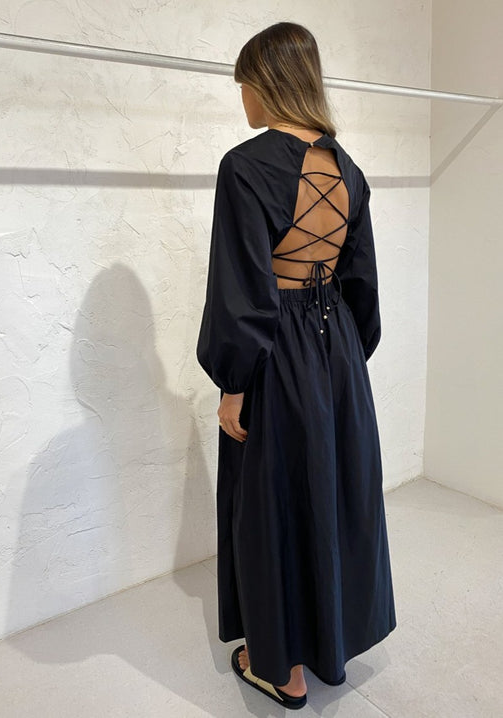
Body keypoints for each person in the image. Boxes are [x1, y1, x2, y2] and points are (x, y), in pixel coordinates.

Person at [196, 21, 396, 710]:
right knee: (330, 491)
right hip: (337, 347)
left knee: (270, 502)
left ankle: (281, 669)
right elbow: (362, 282)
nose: (242, 100)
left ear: (267, 84)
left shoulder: (244, 166)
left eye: (244, 86)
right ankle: (326, 638)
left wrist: (233, 383)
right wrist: (345, 361)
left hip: (277, 349)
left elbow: (242, 288)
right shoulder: (349, 170)